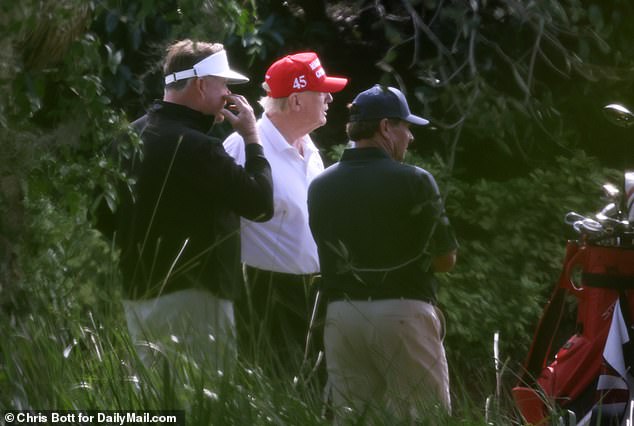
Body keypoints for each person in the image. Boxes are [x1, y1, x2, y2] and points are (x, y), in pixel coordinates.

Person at [97, 39, 274, 371]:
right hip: (197, 299)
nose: (226, 93)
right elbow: (261, 204)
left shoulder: (125, 139)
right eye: (222, 83)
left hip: (138, 297)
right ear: (201, 84)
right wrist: (252, 138)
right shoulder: (198, 147)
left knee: (154, 403)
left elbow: (101, 217)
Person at [307, 84, 458, 421]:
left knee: (354, 418)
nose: (410, 137)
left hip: (342, 318)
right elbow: (445, 259)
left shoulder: (320, 185)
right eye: (405, 126)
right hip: (403, 314)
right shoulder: (415, 181)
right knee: (425, 417)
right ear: (386, 127)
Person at [222, 52, 348, 373]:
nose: (330, 98)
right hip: (263, 294)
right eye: (322, 92)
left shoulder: (310, 148)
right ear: (295, 101)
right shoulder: (243, 146)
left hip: (312, 292)